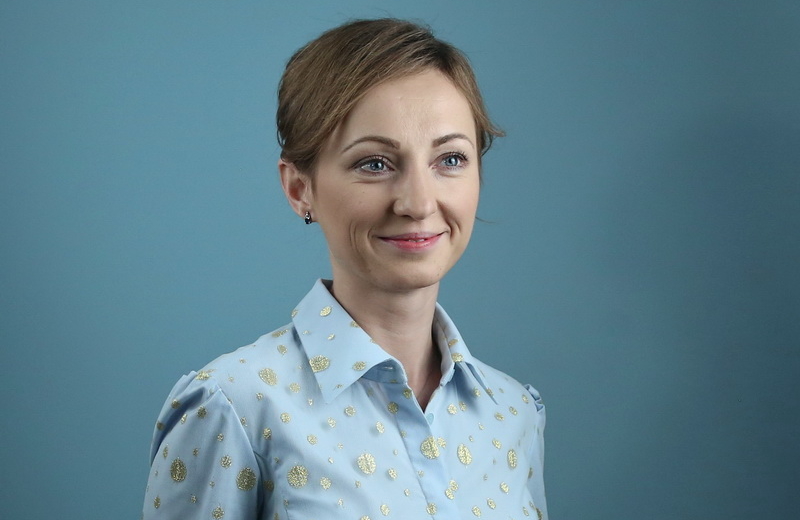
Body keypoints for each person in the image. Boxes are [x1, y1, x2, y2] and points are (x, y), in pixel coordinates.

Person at [142, 18, 547, 520]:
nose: (419, 203)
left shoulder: (513, 414)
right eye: (375, 163)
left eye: (450, 159)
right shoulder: (234, 405)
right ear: (299, 189)